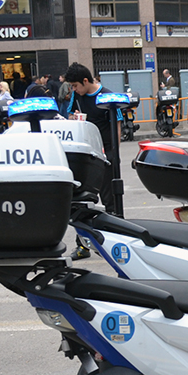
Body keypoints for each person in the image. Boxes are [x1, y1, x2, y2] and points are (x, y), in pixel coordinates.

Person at [63, 62, 123, 256]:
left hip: (106, 153)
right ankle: (83, 245)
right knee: (80, 202)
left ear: (86, 81)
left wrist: (114, 151)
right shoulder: (76, 97)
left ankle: (112, 241)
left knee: (110, 201)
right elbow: (70, 114)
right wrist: (75, 118)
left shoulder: (106, 95)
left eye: (75, 86)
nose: (74, 90)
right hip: (85, 155)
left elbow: (118, 122)